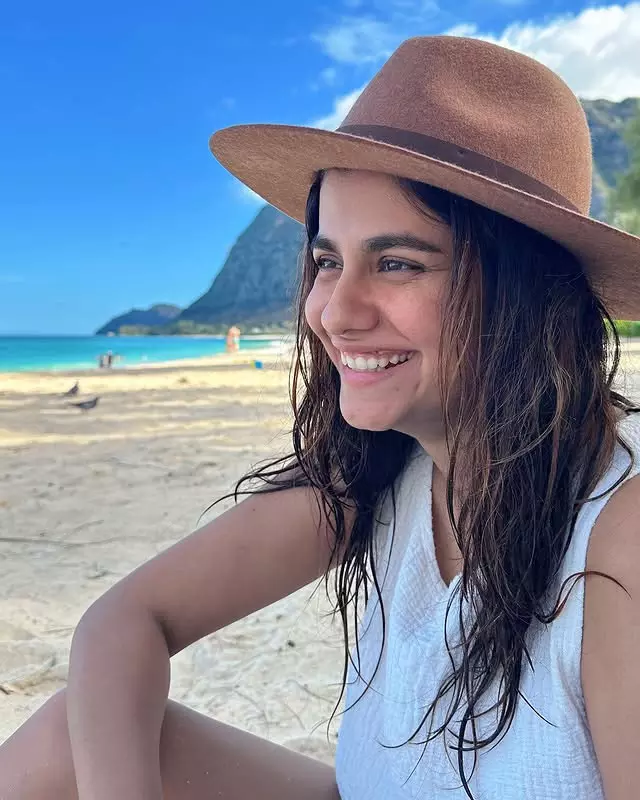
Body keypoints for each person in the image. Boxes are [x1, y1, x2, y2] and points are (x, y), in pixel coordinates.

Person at [1, 35, 640, 800]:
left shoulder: (618, 536)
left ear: (531, 294)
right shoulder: (390, 470)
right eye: (329, 260)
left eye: (397, 263)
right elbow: (125, 621)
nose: (334, 312)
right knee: (70, 737)